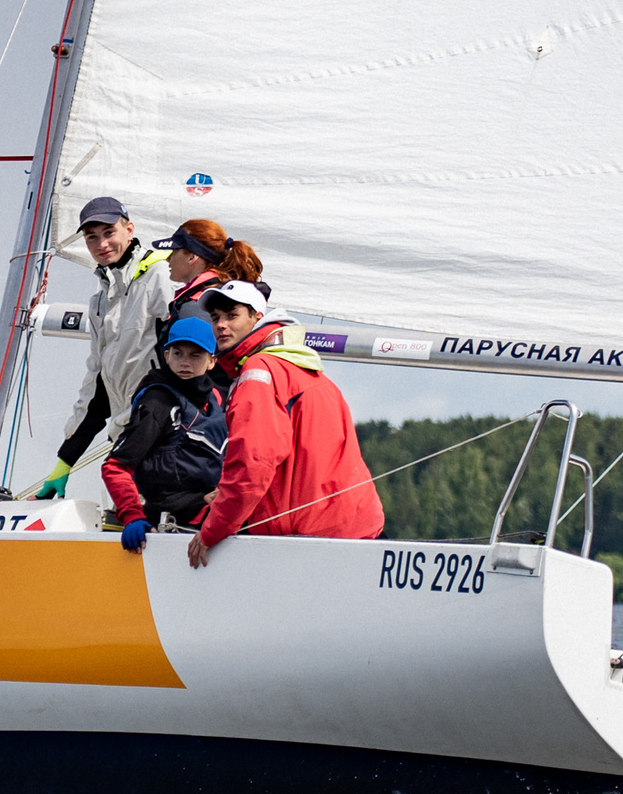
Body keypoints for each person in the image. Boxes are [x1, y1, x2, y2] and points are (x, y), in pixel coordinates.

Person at [187, 281, 383, 566]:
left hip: (311, 540)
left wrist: (212, 530)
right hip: (354, 527)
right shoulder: (304, 368)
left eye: (231, 315)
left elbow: (252, 463)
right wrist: (231, 497)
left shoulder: (259, 372)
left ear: (257, 317)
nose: (220, 325)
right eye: (215, 317)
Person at [31, 196, 180, 499]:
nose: (101, 244)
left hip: (169, 437)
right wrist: (65, 461)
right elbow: (98, 384)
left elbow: (191, 356)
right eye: (91, 237)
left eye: (109, 232)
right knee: (119, 514)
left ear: (129, 230)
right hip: (127, 438)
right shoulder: (100, 301)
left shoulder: (161, 275)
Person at [102, 316, 228, 552]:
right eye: (178, 354)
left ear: (211, 361)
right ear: (167, 356)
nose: (185, 363)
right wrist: (132, 516)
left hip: (208, 507)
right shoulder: (158, 403)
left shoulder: (216, 399)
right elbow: (115, 466)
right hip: (169, 521)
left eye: (195, 355)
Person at [156, 220, 263, 358]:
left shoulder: (197, 304)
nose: (168, 259)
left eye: (174, 252)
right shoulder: (220, 291)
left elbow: (191, 366)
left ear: (192, 257)